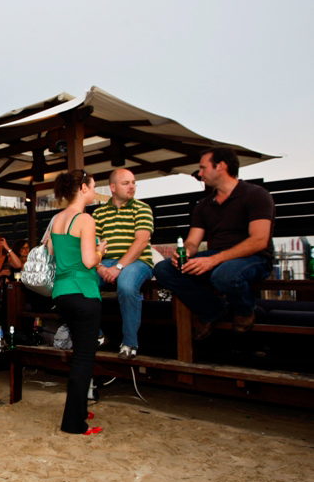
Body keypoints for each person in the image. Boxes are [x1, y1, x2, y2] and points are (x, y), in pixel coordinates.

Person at [153, 148, 275, 339]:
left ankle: (245, 310)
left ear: (221, 166)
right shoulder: (204, 204)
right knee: (163, 269)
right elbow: (193, 241)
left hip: (255, 258)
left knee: (224, 275)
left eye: (203, 168)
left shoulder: (255, 194)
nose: (199, 173)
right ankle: (214, 310)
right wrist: (184, 252)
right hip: (218, 257)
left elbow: (259, 241)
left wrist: (213, 260)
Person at [47, 169, 107, 436]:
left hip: (62, 293)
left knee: (79, 356)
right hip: (83, 292)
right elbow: (88, 261)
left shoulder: (57, 218)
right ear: (83, 188)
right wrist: (100, 251)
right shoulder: (84, 219)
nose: (94, 191)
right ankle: (73, 423)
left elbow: (51, 251)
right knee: (84, 358)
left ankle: (79, 410)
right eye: (93, 186)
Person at [92, 168, 155, 360]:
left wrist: (118, 267)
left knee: (126, 286)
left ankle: (129, 344)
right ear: (112, 187)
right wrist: (99, 267)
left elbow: (141, 242)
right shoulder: (99, 213)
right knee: (78, 282)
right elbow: (93, 244)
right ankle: (96, 336)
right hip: (105, 262)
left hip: (137, 262)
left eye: (133, 182)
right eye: (126, 183)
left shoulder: (142, 208)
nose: (132, 187)